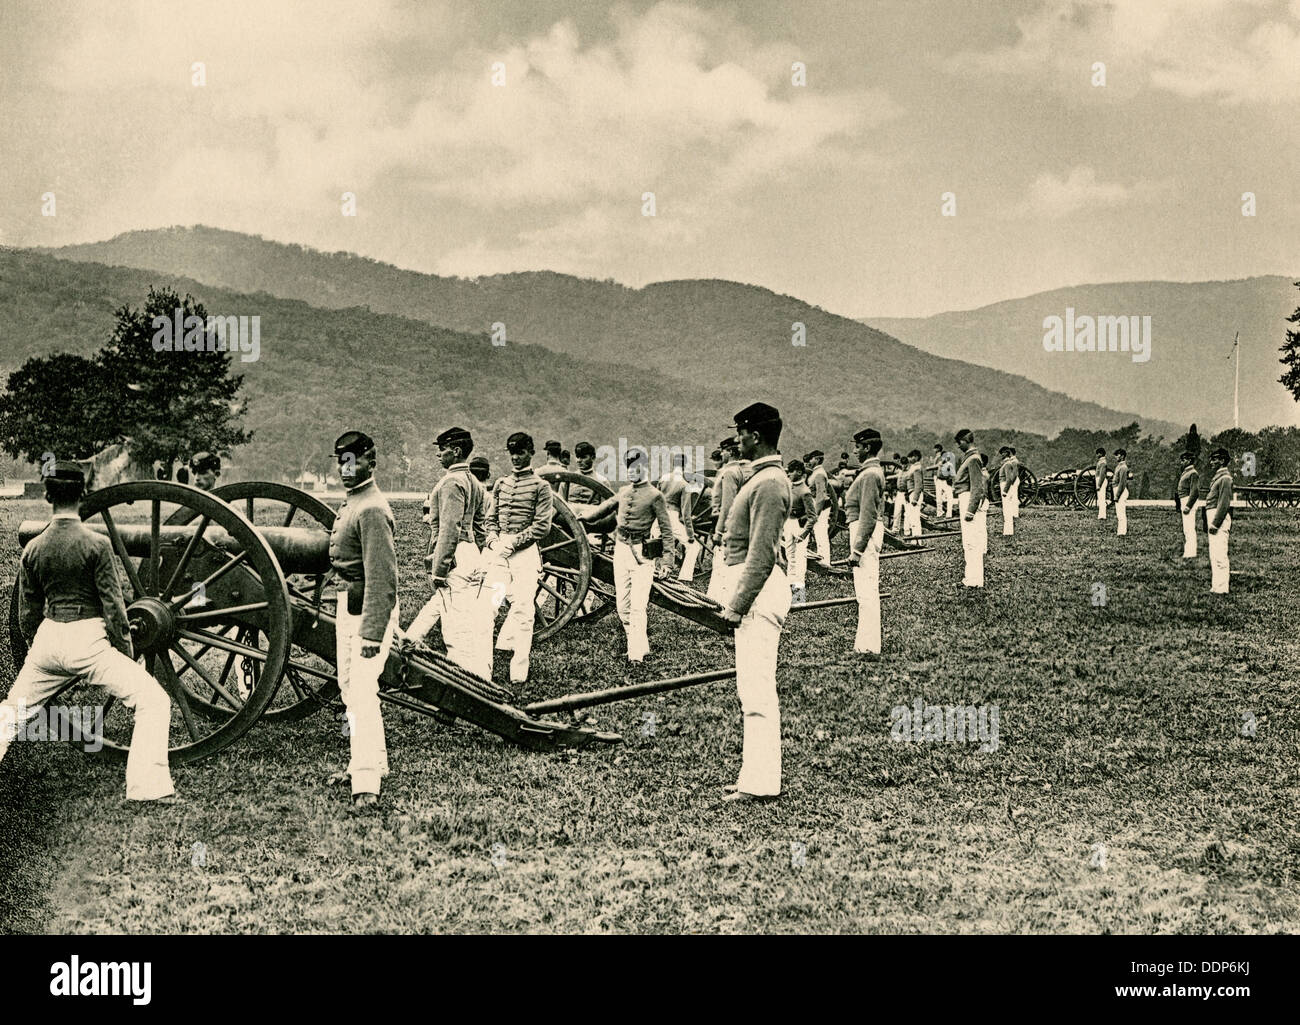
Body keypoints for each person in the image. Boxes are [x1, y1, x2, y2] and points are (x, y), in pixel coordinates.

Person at [1, 461, 175, 802]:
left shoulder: (33, 548)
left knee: (11, 711)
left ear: (48, 496)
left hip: (47, 642)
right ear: (82, 495)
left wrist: (41, 649)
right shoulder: (96, 545)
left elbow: (27, 614)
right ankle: (147, 789)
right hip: (88, 641)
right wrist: (127, 656)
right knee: (153, 700)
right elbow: (115, 611)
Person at [718, 403, 792, 803]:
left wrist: (737, 605)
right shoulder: (763, 478)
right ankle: (754, 776)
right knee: (750, 689)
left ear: (756, 436)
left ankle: (761, 784)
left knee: (758, 689)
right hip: (757, 590)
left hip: (760, 593)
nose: (737, 440)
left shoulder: (767, 483)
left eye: (741, 433)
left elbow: (761, 555)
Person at [327, 431, 399, 807]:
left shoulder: (371, 508)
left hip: (367, 610)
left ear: (371, 462)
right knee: (349, 689)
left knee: (362, 694)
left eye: (353, 461)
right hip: (349, 603)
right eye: (341, 462)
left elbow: (383, 579)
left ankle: (366, 783)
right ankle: (368, 763)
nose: (346, 469)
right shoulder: (354, 502)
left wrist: (372, 633)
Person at [402, 427, 490, 678]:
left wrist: (440, 569)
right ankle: (408, 642)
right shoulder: (474, 481)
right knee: (448, 606)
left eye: (442, 450)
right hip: (471, 552)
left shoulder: (452, 481)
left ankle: (462, 679)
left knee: (455, 625)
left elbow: (449, 530)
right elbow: (480, 527)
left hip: (456, 554)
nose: (439, 455)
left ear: (456, 451)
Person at [579, 448, 673, 662]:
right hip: (621, 551)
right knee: (623, 605)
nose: (632, 472)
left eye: (636, 468)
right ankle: (639, 644)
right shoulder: (623, 492)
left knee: (638, 605)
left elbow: (667, 530)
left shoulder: (655, 496)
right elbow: (603, 509)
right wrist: (583, 517)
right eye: (629, 468)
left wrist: (667, 559)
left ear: (645, 468)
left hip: (642, 553)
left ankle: (636, 654)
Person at [487, 432, 553, 688]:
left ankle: (518, 672)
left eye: (521, 452)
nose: (515, 457)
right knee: (488, 607)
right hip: (499, 553)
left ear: (530, 453)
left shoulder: (540, 486)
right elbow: (490, 519)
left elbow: (541, 527)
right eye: (512, 452)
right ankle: (483, 667)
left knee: (524, 611)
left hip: (524, 555)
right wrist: (494, 540)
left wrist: (513, 542)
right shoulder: (501, 484)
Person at [844, 429, 886, 655]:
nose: (854, 451)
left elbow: (868, 515)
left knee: (866, 591)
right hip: (863, 528)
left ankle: (869, 646)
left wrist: (857, 550)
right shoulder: (870, 471)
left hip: (863, 530)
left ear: (867, 448)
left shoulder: (869, 474)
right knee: (865, 590)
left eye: (857, 447)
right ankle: (865, 644)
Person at [708, 438, 750, 601]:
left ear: (731, 452)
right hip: (736, 523)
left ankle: (718, 603)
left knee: (721, 566)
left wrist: (719, 531)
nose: (721, 454)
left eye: (724, 451)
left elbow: (728, 505)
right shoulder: (739, 470)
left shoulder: (730, 472)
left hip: (724, 523)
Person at [655, 453, 701, 582]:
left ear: (673, 464)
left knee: (654, 544)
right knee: (694, 546)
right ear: (684, 465)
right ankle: (684, 577)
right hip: (671, 517)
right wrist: (691, 536)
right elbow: (686, 514)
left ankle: (652, 570)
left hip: (657, 515)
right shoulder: (684, 484)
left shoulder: (663, 478)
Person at [953, 429, 987, 588]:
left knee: (972, 542)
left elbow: (977, 488)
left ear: (965, 441)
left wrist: (970, 510)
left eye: (959, 443)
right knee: (968, 543)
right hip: (964, 497)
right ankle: (971, 577)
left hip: (968, 499)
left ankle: (975, 580)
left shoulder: (973, 459)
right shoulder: (969, 458)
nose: (958, 446)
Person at [783, 459, 816, 604]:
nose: (789, 473)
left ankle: (798, 597)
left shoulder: (805, 491)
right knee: (790, 556)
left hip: (799, 526)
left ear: (800, 472)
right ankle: (789, 590)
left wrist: (804, 534)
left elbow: (812, 517)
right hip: (788, 523)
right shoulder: (789, 487)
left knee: (800, 559)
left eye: (791, 471)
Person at [1206, 446, 1233, 593]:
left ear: (1222, 461)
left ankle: (1222, 587)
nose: (1211, 461)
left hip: (1219, 518)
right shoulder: (1219, 476)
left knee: (1220, 553)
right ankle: (1216, 586)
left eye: (1215, 459)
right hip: (1213, 514)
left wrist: (1215, 523)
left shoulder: (1225, 478)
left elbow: (1224, 503)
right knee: (1214, 553)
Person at [804, 450, 834, 569]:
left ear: (816, 459)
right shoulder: (816, 472)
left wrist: (815, 514)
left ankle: (825, 562)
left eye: (811, 459)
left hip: (821, 508)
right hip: (818, 507)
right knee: (819, 533)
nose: (809, 462)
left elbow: (821, 496)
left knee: (821, 534)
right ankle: (823, 560)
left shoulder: (819, 474)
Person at [1175, 451, 1200, 558]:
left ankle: (1190, 553)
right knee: (1186, 529)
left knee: (1189, 528)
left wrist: (1188, 506)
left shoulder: (1193, 473)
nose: (1181, 462)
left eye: (1183, 460)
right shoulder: (1186, 472)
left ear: (1189, 460)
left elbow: (1195, 491)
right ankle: (1189, 551)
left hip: (1188, 501)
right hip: (1184, 500)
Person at [998, 445, 1020, 536]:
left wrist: (1005, 491)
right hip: (1004, 485)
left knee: (1007, 509)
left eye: (1003, 453)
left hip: (1004, 486)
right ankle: (1008, 531)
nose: (1001, 455)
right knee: (1007, 509)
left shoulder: (1007, 464)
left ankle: (1008, 531)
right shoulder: (1007, 463)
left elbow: (1009, 479)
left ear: (1006, 453)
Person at [930, 443, 955, 518]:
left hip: (946, 481)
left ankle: (947, 513)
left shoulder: (948, 464)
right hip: (941, 481)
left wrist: (952, 484)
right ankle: (940, 512)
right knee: (939, 497)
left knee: (947, 497)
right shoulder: (941, 463)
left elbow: (952, 475)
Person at [904, 448, 925, 537]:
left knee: (915, 518)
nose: (909, 459)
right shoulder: (913, 467)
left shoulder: (917, 468)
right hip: (911, 493)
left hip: (915, 494)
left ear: (916, 457)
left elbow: (918, 484)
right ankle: (915, 538)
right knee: (912, 517)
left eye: (911, 457)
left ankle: (917, 539)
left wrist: (915, 499)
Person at [1113, 448, 1131, 536]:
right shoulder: (1119, 466)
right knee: (1119, 513)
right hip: (1117, 489)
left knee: (1121, 513)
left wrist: (1117, 495)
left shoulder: (1123, 467)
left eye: (1117, 455)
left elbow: (1122, 483)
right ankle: (1120, 531)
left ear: (1122, 456)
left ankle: (1122, 532)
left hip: (1120, 491)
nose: (1116, 457)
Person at [1094, 448, 1109, 521]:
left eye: (1098, 453)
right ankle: (1101, 515)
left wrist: (1099, 484)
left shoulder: (1103, 462)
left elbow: (1102, 474)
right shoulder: (1101, 461)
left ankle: (1103, 516)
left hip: (1101, 480)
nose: (1097, 455)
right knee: (1100, 499)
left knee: (1102, 499)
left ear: (1101, 454)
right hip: (1100, 480)